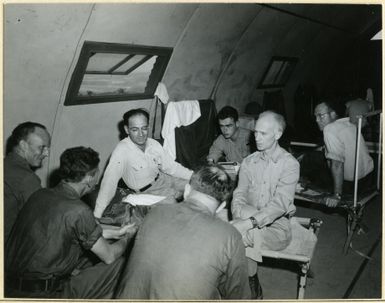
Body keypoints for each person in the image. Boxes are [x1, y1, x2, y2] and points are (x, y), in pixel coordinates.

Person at [5, 147, 137, 299]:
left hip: (9, 286)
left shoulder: (40, 194)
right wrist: (127, 238)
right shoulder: (79, 210)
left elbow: (69, 229)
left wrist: (117, 232)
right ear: (89, 178)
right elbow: (109, 256)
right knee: (122, 263)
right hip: (44, 294)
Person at [115, 165, 251, 300]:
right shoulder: (230, 236)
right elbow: (238, 295)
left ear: (186, 191)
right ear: (222, 206)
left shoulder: (154, 213)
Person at [230, 111, 299, 298]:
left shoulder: (289, 164)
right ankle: (249, 285)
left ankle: (250, 282)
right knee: (232, 232)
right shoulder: (248, 162)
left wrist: (246, 222)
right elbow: (239, 194)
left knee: (234, 237)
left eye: (263, 134)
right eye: (255, 133)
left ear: (278, 134)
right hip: (246, 217)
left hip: (277, 228)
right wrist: (239, 215)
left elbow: (279, 205)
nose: (257, 138)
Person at [93, 108, 193, 219]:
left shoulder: (153, 144)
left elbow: (171, 167)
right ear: (127, 130)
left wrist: (195, 176)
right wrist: (97, 215)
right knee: (173, 208)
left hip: (164, 179)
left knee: (197, 186)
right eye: (135, 129)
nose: (141, 134)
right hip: (148, 191)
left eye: (144, 128)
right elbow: (109, 183)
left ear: (148, 127)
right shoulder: (122, 151)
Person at [313, 101, 373, 207]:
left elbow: (337, 164)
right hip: (368, 179)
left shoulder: (329, 129)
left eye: (321, 116)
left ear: (333, 114)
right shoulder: (349, 123)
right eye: (316, 116)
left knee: (308, 160)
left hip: (351, 186)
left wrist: (337, 195)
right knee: (320, 155)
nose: (317, 120)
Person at [4, 121, 51, 244]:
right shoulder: (26, 178)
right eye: (42, 147)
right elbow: (44, 219)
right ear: (23, 146)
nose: (46, 153)